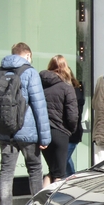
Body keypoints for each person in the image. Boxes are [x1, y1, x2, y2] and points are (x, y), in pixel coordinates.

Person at [0, 42, 51, 205]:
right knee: (35, 171)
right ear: (27, 55)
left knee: (6, 172)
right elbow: (39, 107)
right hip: (28, 133)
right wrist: (45, 137)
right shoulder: (30, 72)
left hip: (5, 132)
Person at [39, 56, 78, 186]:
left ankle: (42, 200)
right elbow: (72, 115)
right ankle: (55, 204)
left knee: (52, 170)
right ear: (65, 68)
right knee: (59, 175)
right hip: (60, 134)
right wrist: (70, 131)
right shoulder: (67, 88)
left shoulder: (40, 86)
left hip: (43, 133)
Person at [66, 71, 85, 176]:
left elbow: (74, 115)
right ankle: (72, 180)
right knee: (66, 162)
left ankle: (71, 181)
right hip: (72, 132)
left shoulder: (75, 92)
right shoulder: (75, 91)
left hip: (72, 133)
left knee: (63, 161)